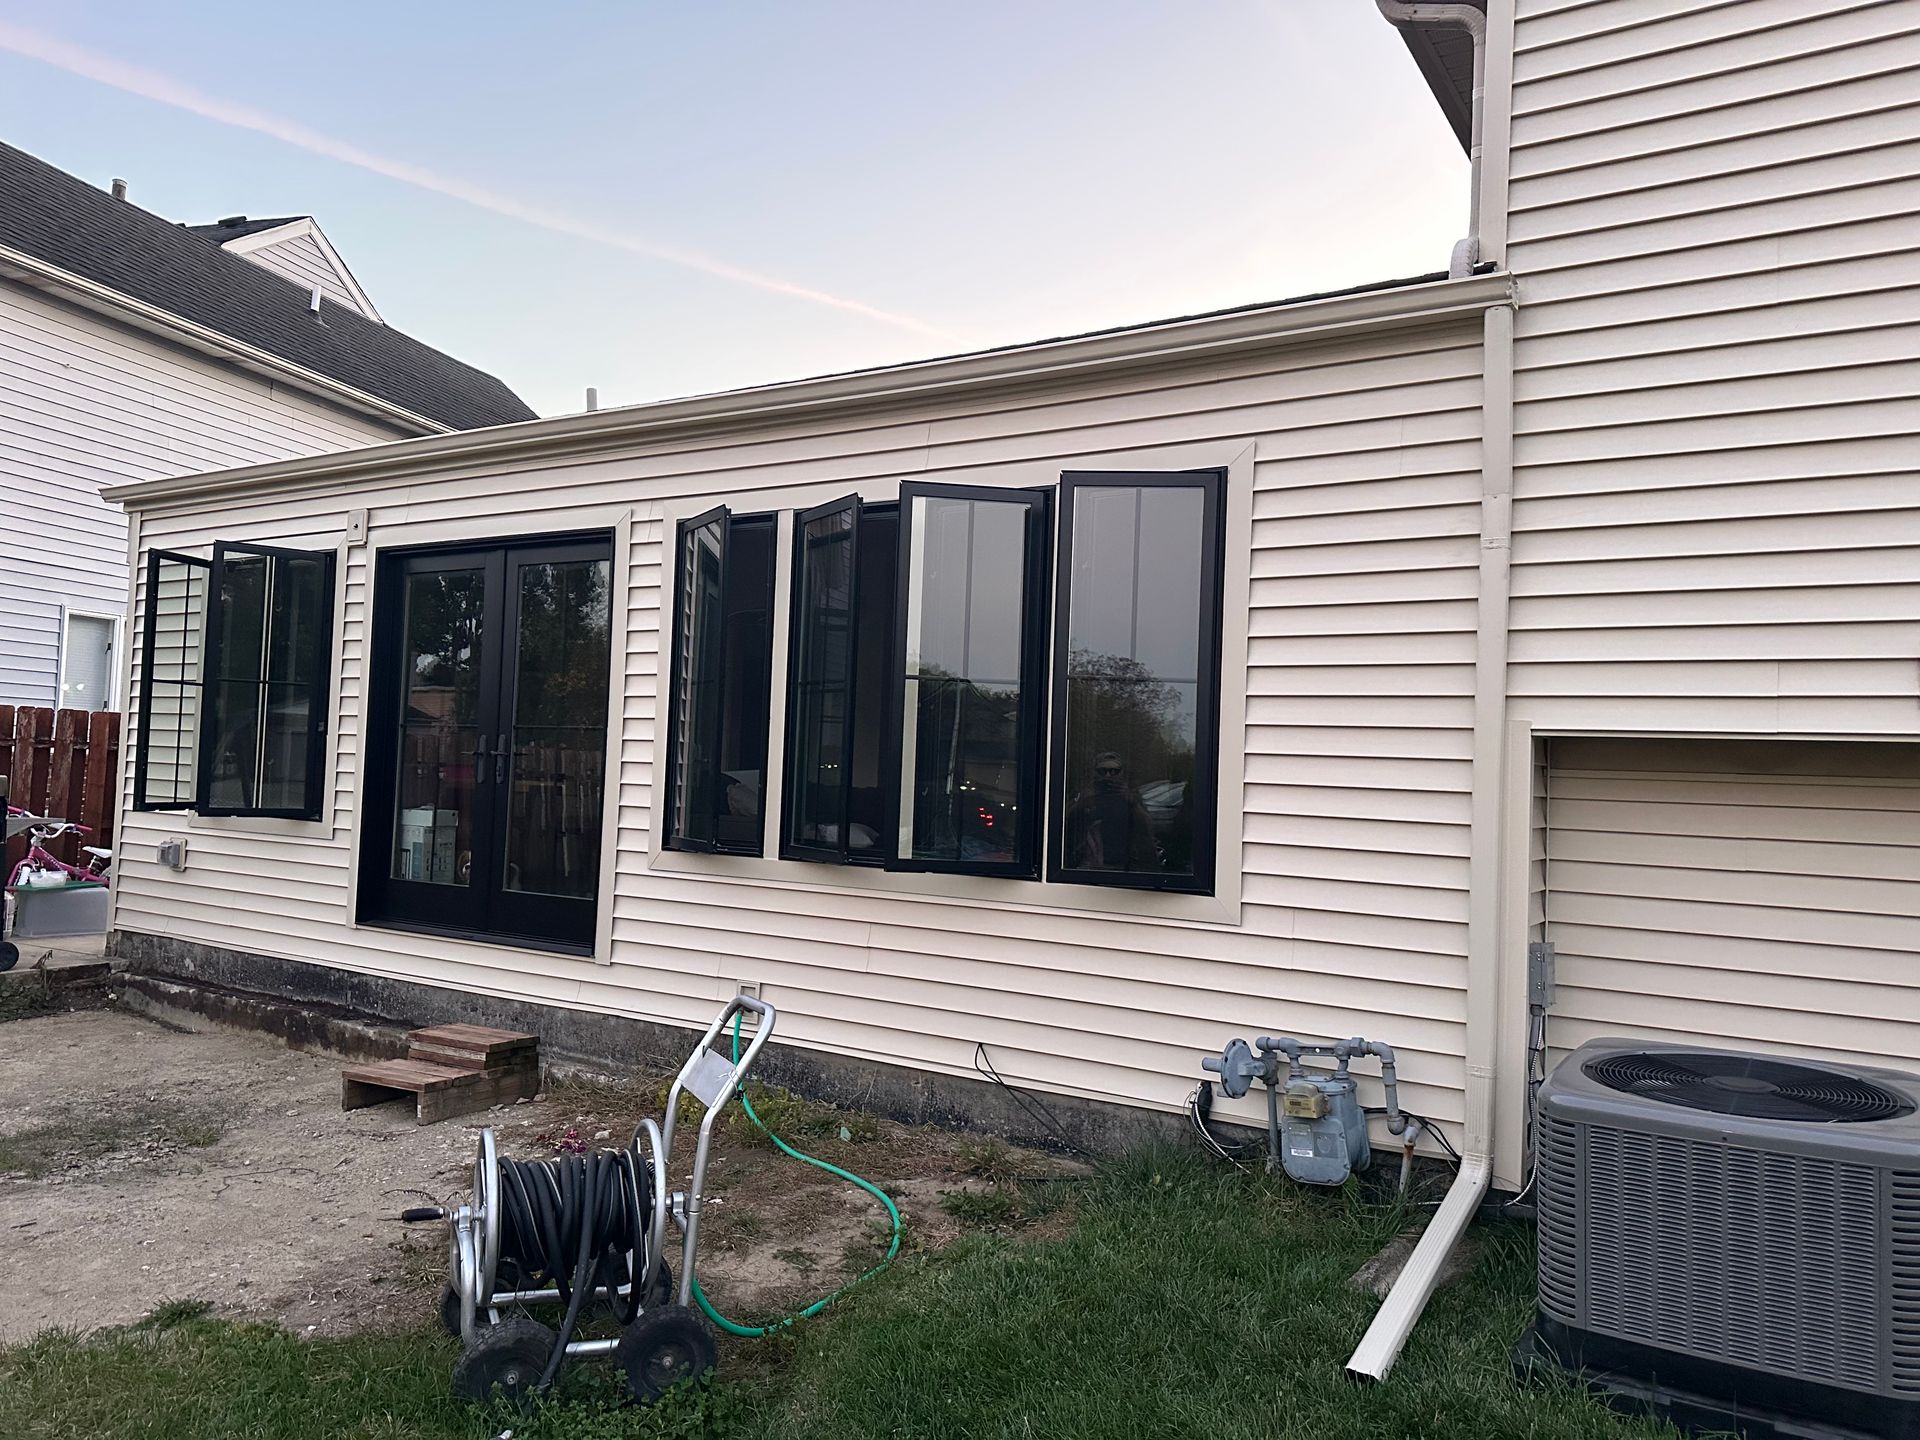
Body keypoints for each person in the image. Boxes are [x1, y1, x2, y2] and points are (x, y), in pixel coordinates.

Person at [1063, 751, 1161, 872]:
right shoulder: (1085, 794)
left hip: (1125, 865)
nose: (1108, 775)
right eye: (1102, 771)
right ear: (1094, 773)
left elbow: (1148, 828)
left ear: (1122, 773)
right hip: (1088, 864)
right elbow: (1062, 827)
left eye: (1114, 771)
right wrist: (1081, 804)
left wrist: (1132, 803)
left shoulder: (1130, 797)